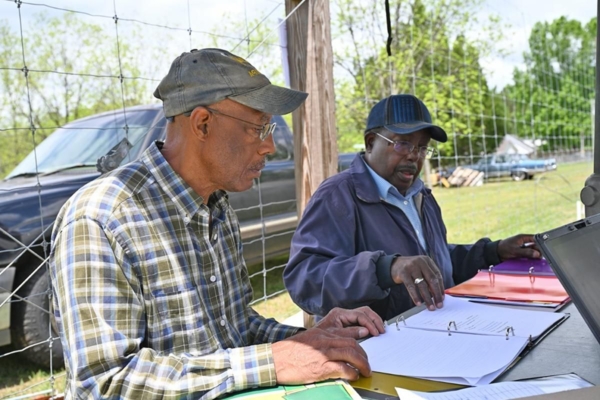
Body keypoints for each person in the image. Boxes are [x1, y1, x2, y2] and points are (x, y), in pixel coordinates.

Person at [49, 48, 385, 399]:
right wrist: (273, 361)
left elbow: (235, 328)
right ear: (202, 124)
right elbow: (105, 384)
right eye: (258, 128)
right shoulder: (102, 218)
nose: (269, 146)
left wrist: (308, 342)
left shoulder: (216, 205)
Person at [283, 94, 541, 322]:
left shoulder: (422, 195)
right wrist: (384, 269)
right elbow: (305, 278)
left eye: (422, 147)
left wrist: (492, 252)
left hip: (437, 333)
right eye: (402, 143)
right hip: (373, 349)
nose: (413, 155)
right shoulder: (338, 196)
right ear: (371, 142)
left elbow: (432, 265)